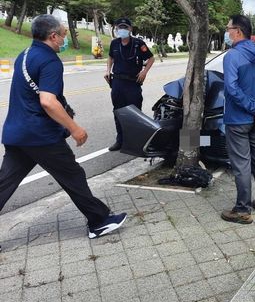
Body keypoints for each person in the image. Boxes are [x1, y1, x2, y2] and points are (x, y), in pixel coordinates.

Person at [0, 14, 127, 242]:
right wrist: (75, 128)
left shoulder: (24, 55)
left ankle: (98, 219)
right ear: (53, 36)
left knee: (5, 183)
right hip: (40, 136)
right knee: (73, 175)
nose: (65, 39)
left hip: (17, 133)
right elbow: (48, 101)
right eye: (64, 35)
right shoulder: (49, 60)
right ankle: (98, 222)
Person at [221, 15, 255, 224]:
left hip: (237, 119)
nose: (226, 32)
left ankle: (242, 209)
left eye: (228, 29)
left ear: (238, 31)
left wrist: (253, 108)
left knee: (241, 163)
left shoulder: (232, 56)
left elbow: (231, 88)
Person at [104, 18, 154, 151]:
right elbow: (110, 58)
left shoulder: (138, 44)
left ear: (130, 29)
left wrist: (144, 72)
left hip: (133, 82)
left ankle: (137, 141)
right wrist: (108, 70)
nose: (122, 30)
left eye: (125, 28)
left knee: (135, 112)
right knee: (118, 111)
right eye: (120, 28)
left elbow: (151, 58)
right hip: (118, 82)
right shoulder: (114, 43)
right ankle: (120, 140)